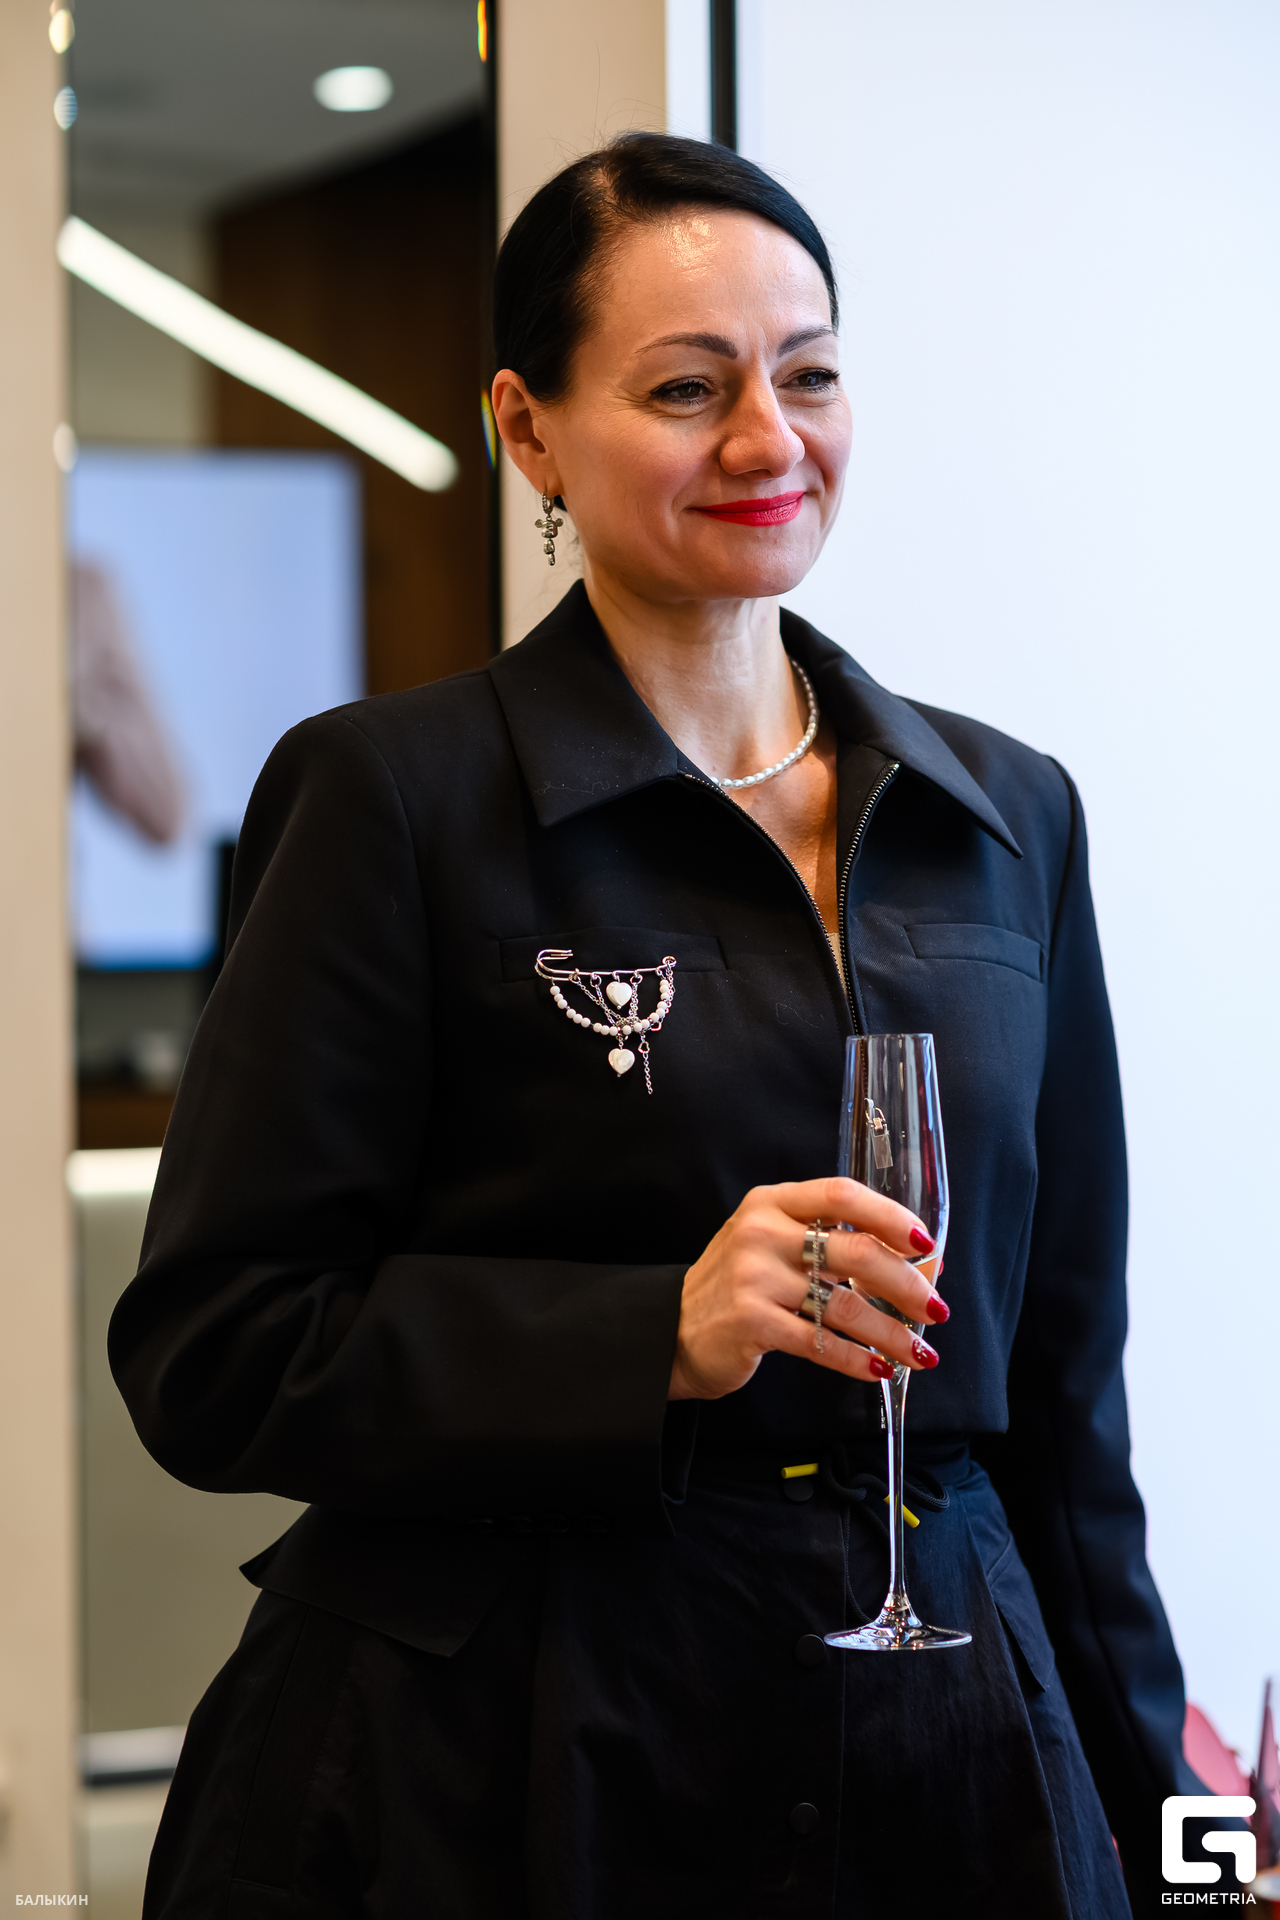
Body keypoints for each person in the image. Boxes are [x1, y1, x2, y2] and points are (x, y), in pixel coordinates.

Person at [114, 134, 1197, 1919]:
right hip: (520, 1754)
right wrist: (653, 1336)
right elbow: (215, 1353)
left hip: (951, 1749)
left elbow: (1070, 1411)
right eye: (689, 389)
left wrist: (1195, 1855)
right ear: (528, 429)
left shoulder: (1010, 814)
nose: (770, 441)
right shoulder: (394, 798)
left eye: (810, 376)